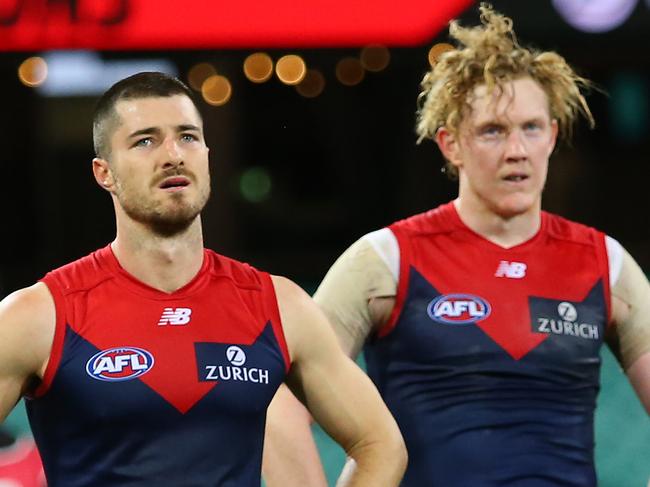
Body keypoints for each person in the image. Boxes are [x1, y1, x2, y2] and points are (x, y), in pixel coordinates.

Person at [264, 4, 650, 486]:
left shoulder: (604, 263)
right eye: (493, 130)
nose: (517, 150)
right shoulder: (386, 259)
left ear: (551, 136)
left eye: (531, 128)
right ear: (450, 144)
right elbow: (280, 406)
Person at [0, 72, 407, 486]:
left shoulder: (277, 306)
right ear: (104, 173)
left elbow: (380, 445)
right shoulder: (39, 315)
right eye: (145, 141)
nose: (173, 155)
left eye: (188, 137)